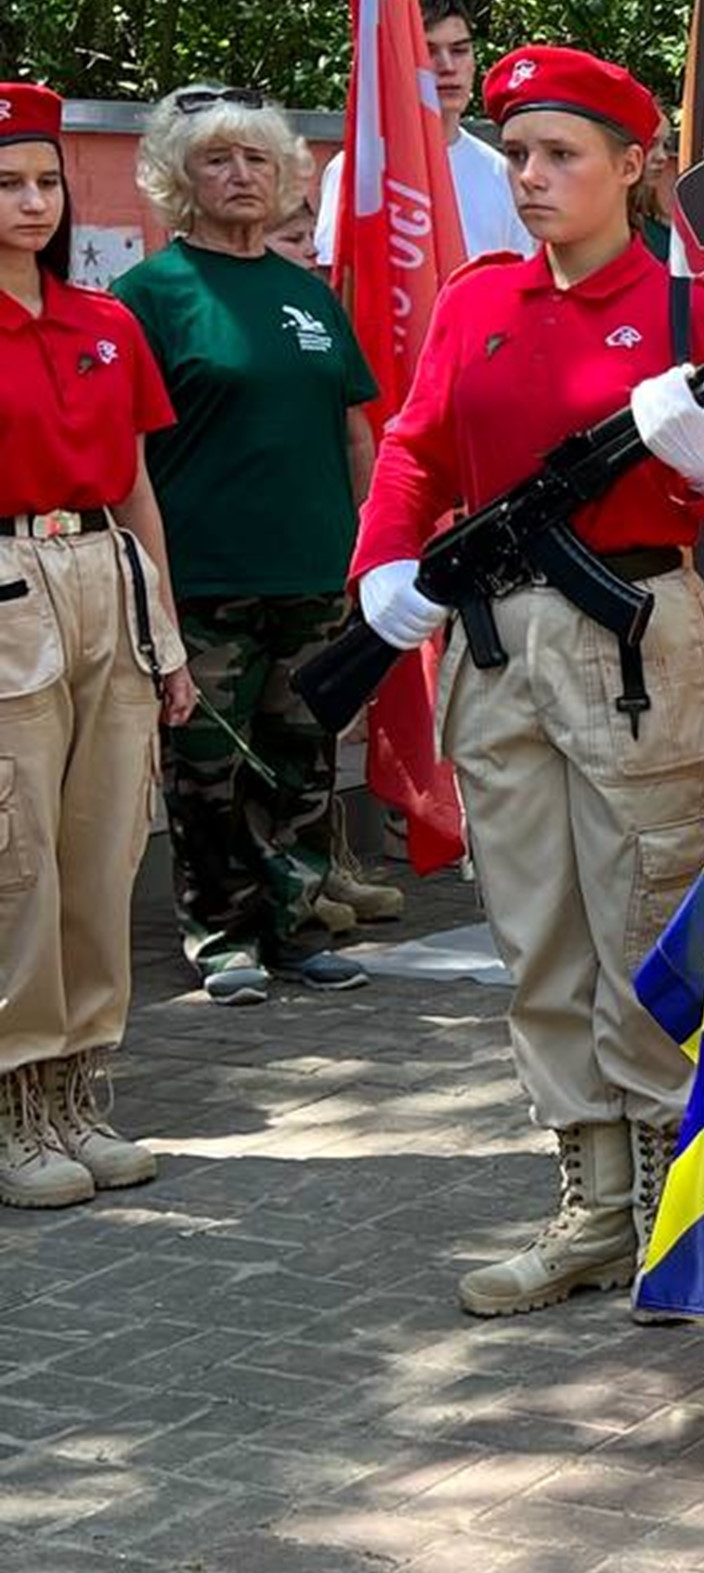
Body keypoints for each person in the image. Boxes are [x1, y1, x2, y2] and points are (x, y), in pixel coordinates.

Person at [351, 45, 704, 1316]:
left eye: (562, 156)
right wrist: (383, 563)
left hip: (636, 638)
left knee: (645, 917)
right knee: (536, 925)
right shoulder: (477, 300)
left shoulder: (687, 313)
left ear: (633, 167)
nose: (532, 179)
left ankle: (674, 1200)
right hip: (493, 645)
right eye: (520, 155)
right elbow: (417, 450)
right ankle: (592, 1204)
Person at [114, 87, 382, 1004]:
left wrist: (366, 550)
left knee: (302, 757)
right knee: (211, 773)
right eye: (217, 160)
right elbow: (127, 456)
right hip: (203, 579)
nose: (240, 176)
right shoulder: (147, 298)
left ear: (284, 178)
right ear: (178, 179)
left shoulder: (307, 295)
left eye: (257, 160)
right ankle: (222, 936)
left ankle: (297, 925)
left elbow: (356, 434)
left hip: (312, 573)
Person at [0, 82, 199, 1210]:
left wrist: (166, 639)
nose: (33, 203)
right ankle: (15, 1105)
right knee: (15, 859)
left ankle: (80, 1091)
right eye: (8, 185)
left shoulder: (106, 322)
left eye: (45, 182)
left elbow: (135, 491)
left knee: (101, 850)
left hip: (106, 581)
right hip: (7, 590)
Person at [313, 0, 535, 266]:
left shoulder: (500, 171)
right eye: (428, 51)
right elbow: (337, 278)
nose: (448, 66)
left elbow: (520, 282)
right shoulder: (360, 168)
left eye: (459, 50)